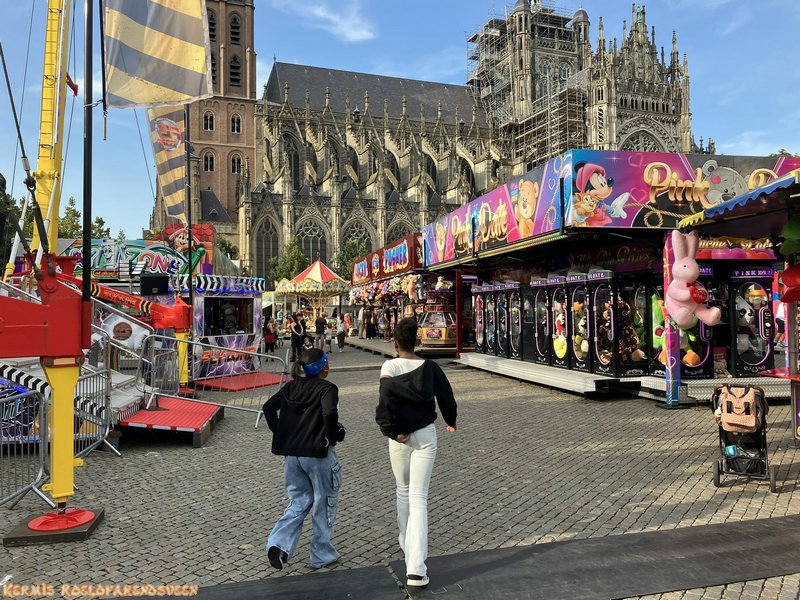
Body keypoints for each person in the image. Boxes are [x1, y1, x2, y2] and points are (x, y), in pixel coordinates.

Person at [375, 318, 458, 589]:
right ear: (418, 341)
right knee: (419, 498)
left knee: (403, 490)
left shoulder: (389, 367)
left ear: (395, 343)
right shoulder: (430, 368)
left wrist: (391, 431)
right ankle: (417, 569)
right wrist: (450, 420)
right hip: (425, 434)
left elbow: (385, 400)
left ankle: (405, 543)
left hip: (400, 437)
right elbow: (446, 397)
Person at [263, 348, 343, 570]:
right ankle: (321, 554)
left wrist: (280, 433)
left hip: (292, 456)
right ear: (324, 368)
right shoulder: (327, 388)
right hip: (318, 454)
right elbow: (329, 413)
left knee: (298, 501)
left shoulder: (290, 387)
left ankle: (278, 543)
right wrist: (331, 437)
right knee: (324, 501)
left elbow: (268, 407)